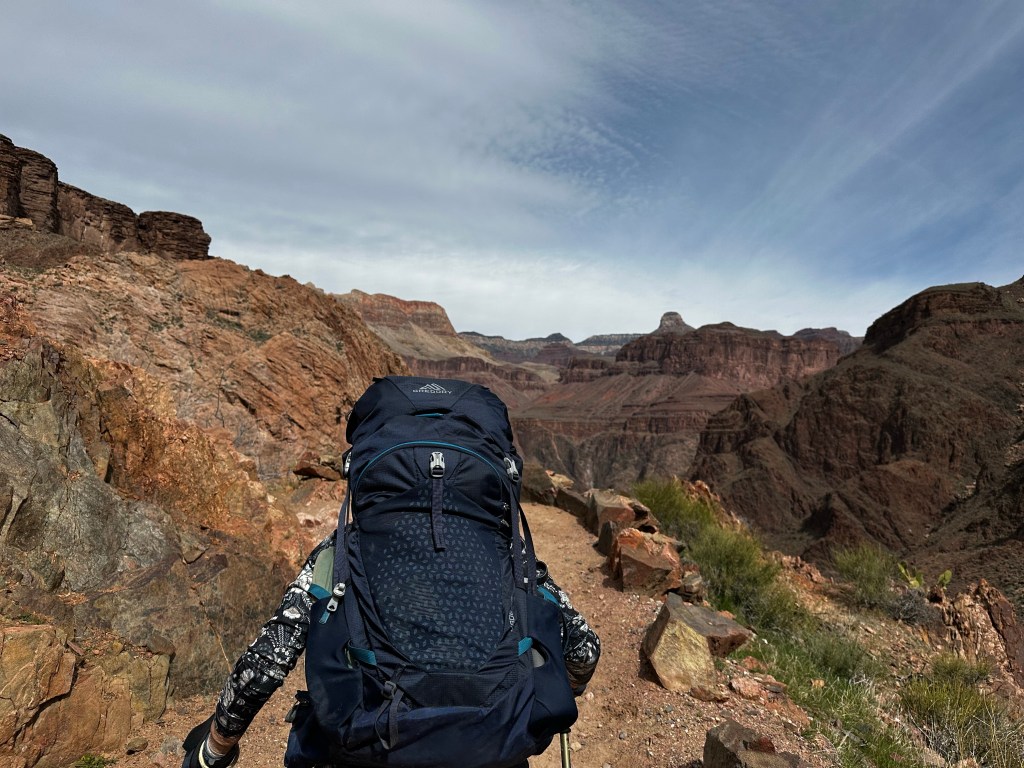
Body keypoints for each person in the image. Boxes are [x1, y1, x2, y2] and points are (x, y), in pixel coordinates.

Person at [182, 527, 601, 768]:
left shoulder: (343, 549)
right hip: (489, 748)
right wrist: (559, 690)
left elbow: (268, 661)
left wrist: (216, 747)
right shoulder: (507, 550)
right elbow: (584, 650)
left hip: (364, 749)